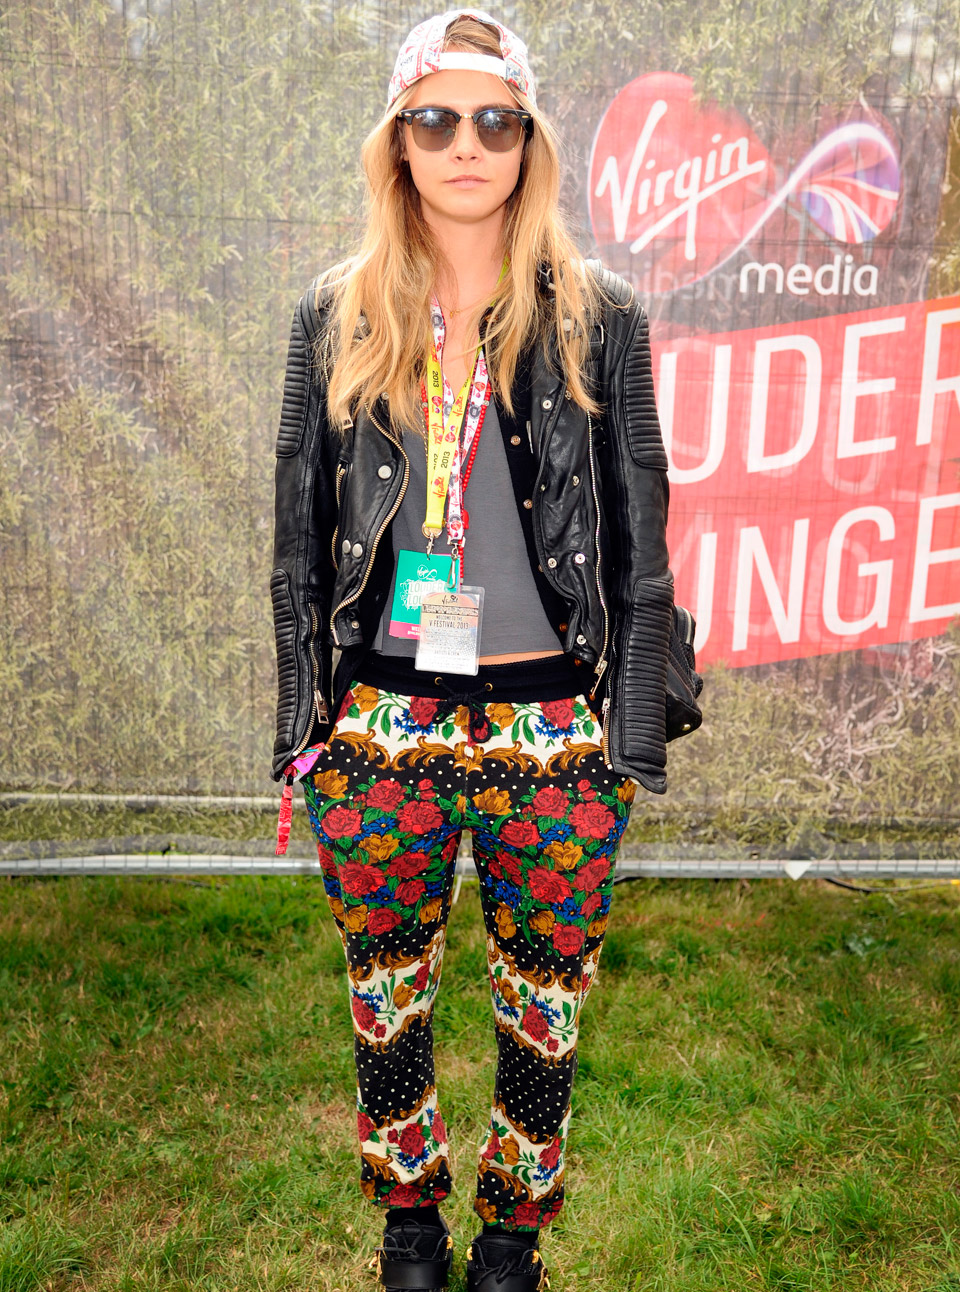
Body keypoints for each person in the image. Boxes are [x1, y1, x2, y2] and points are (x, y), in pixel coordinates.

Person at [270, 9, 674, 1290]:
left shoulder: (600, 316)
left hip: (554, 722)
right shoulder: (335, 315)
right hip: (382, 717)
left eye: (495, 120)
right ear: (398, 140)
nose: (465, 144)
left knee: (544, 1003)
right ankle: (409, 1221)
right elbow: (299, 543)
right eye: (435, 118)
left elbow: (639, 535)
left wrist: (628, 732)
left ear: (529, 142)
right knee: (385, 997)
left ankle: (513, 1233)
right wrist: (307, 724)